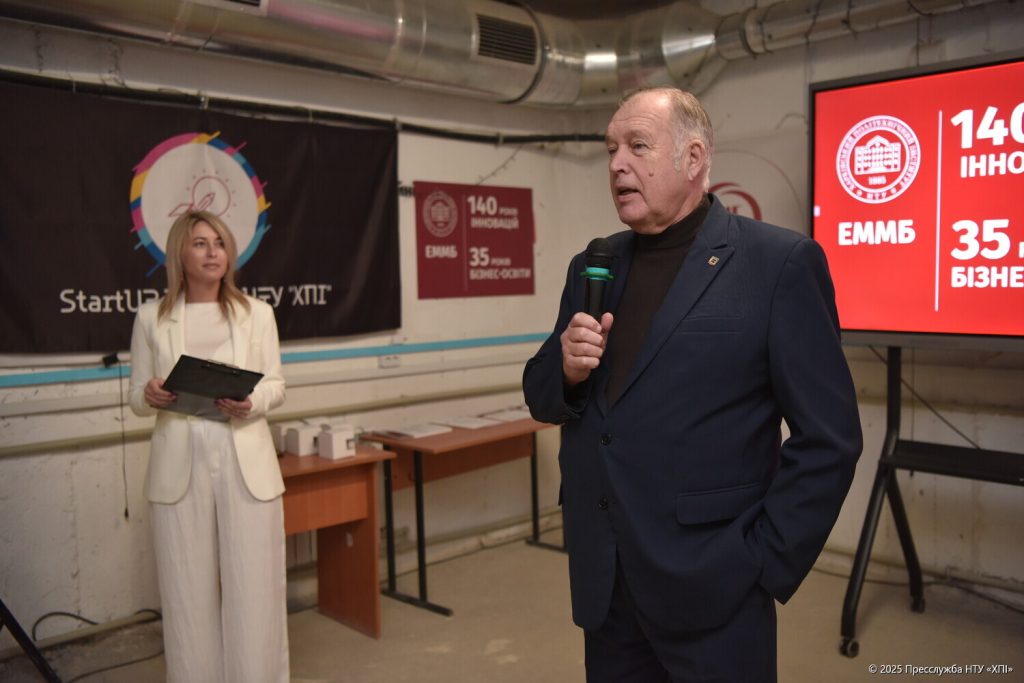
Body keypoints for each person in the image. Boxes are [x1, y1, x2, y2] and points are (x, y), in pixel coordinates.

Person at [523, 87, 863, 682]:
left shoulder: (777, 264)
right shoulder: (594, 265)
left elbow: (830, 438)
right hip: (607, 584)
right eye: (610, 148)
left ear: (694, 157)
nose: (616, 164)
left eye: (637, 146)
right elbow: (543, 394)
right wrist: (568, 369)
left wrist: (763, 562)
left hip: (717, 589)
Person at [128, 210, 288, 683]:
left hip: (244, 455)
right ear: (180, 252)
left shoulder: (257, 313)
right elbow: (136, 396)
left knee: (254, 585)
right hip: (181, 460)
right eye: (200, 243)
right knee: (186, 591)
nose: (213, 252)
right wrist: (149, 395)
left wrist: (253, 402)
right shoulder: (151, 318)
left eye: (219, 242)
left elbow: (276, 384)